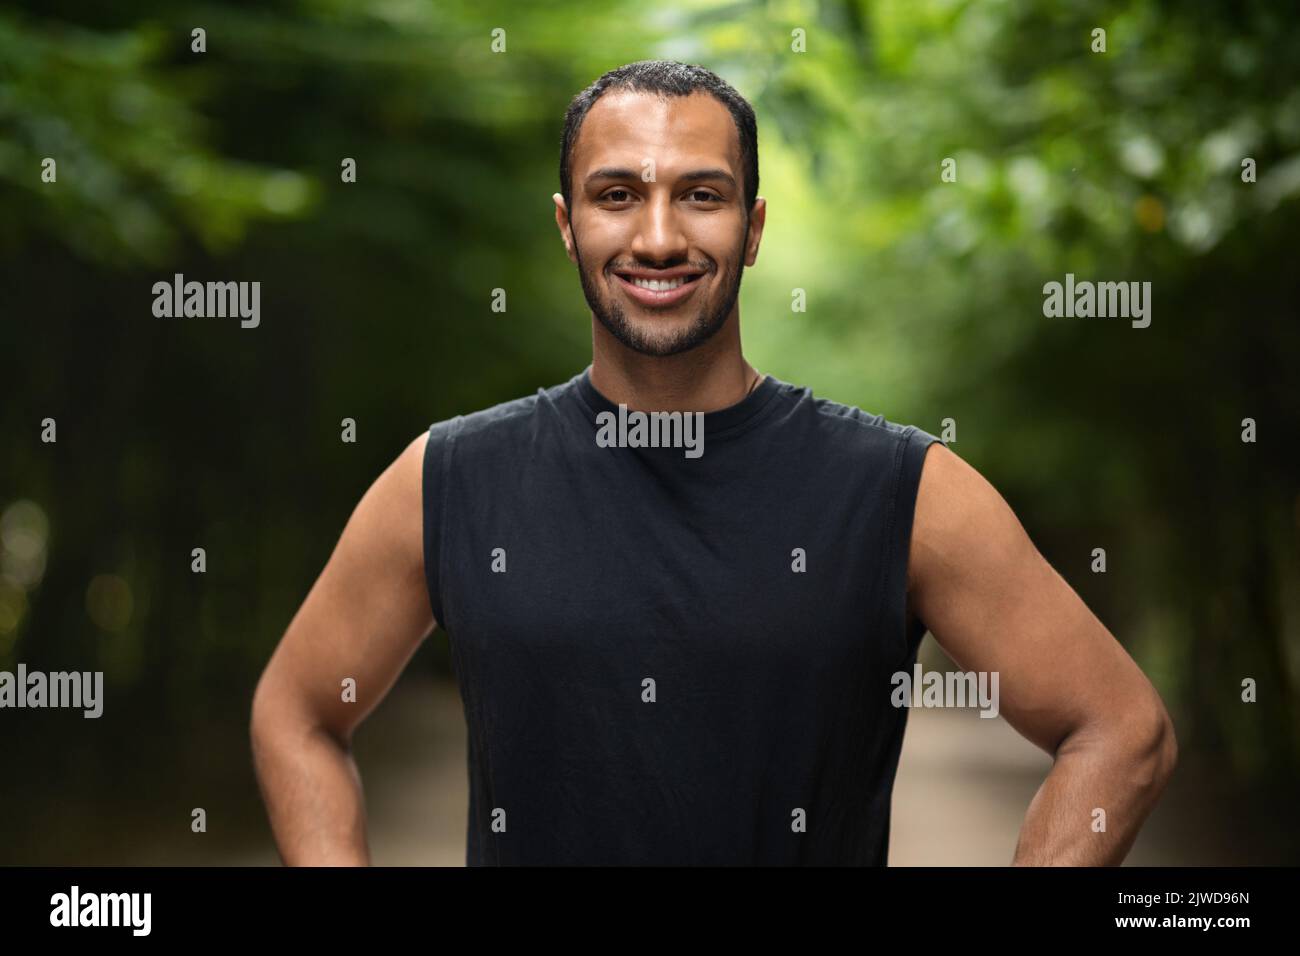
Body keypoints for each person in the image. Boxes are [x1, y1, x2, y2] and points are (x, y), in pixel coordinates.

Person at [250, 60, 1176, 866]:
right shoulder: (446, 481)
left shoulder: (902, 490)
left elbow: (1122, 731)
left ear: (755, 225)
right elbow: (296, 713)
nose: (658, 238)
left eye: (700, 194)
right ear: (568, 226)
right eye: (618, 196)